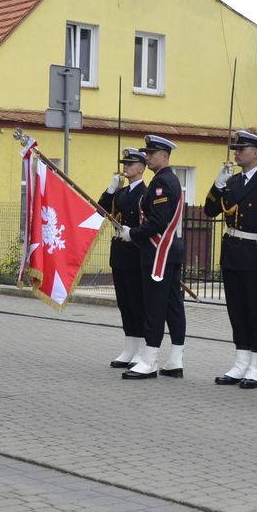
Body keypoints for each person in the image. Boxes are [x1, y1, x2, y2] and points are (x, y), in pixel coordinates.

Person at [204, 129, 257, 388]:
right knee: (236, 310)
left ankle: (254, 365)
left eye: (242, 149)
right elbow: (210, 210)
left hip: (255, 253)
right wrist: (217, 185)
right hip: (232, 251)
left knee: (255, 310)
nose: (237, 153)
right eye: (236, 149)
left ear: (256, 152)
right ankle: (240, 362)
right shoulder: (232, 181)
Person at [121, 134, 186, 378]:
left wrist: (133, 234)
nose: (146, 156)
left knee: (155, 306)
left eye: (151, 153)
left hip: (160, 252)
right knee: (172, 306)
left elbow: (158, 221)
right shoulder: (168, 179)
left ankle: (149, 360)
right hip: (168, 252)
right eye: (146, 153)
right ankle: (176, 360)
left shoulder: (162, 182)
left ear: (165, 156)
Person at [99, 149, 148, 364]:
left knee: (137, 303)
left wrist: (134, 233)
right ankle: (129, 347)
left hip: (136, 254)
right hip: (119, 252)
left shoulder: (145, 193)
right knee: (124, 304)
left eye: (130, 164)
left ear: (141, 168)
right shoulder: (121, 193)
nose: (125, 167)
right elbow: (101, 211)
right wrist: (110, 190)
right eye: (124, 163)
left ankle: (142, 349)